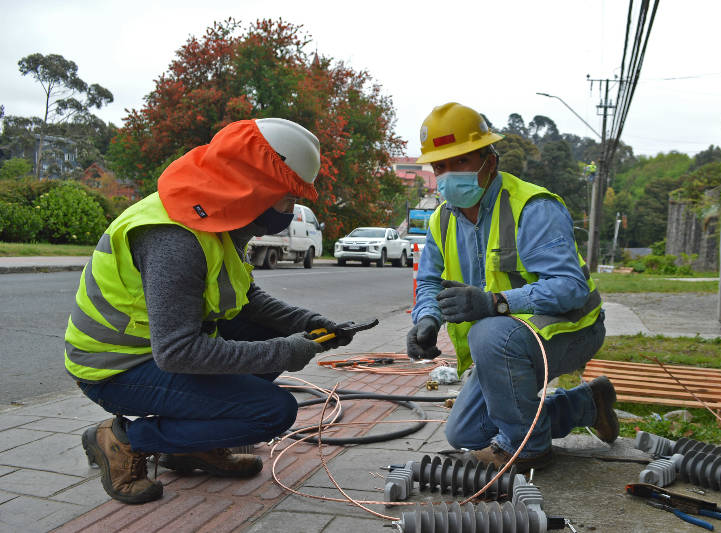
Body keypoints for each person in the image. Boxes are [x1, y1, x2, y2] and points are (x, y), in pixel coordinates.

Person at [66, 118, 353, 504]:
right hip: (115, 369)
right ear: (255, 186)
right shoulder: (176, 238)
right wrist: (287, 351)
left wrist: (307, 324)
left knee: (261, 335)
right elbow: (177, 352)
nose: (291, 210)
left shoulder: (219, 218)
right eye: (288, 197)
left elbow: (246, 298)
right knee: (272, 413)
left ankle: (190, 446)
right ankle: (124, 440)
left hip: (151, 353)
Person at [407, 102, 617, 472]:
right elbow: (429, 281)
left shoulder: (532, 207)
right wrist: (427, 319)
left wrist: (495, 302)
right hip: (512, 339)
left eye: (461, 162)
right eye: (440, 166)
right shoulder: (441, 219)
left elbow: (571, 288)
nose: (449, 175)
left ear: (490, 160)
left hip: (573, 330)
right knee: (466, 432)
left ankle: (529, 449)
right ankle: (586, 404)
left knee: (488, 333)